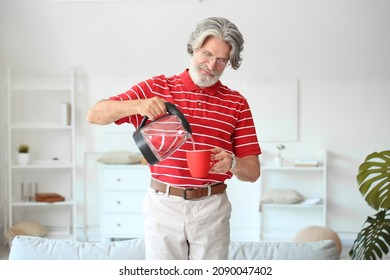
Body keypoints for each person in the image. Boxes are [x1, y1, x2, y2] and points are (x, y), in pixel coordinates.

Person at [87, 17, 261, 260]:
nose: (211, 65)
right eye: (206, 54)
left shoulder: (237, 104)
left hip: (212, 208)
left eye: (221, 60)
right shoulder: (156, 88)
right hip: (163, 207)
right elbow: (95, 114)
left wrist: (231, 162)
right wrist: (138, 105)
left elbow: (252, 171)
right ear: (194, 47)